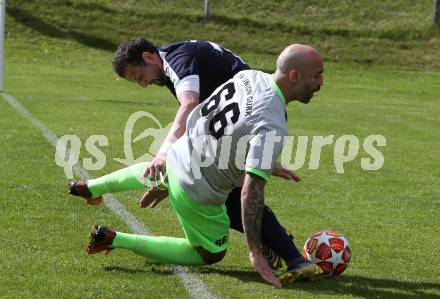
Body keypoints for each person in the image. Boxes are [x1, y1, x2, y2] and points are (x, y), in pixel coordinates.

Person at [81, 44, 325, 287]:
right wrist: (255, 252)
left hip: (177, 157)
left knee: (161, 173)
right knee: (210, 253)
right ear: (294, 75)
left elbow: (231, 130)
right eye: (317, 74)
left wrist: (264, 161)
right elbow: (250, 191)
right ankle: (115, 240)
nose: (321, 83)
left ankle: (94, 186)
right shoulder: (272, 123)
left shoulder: (249, 77)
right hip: (195, 189)